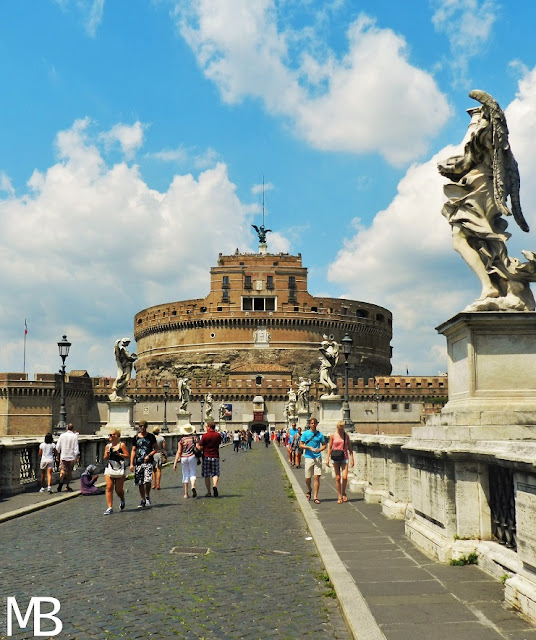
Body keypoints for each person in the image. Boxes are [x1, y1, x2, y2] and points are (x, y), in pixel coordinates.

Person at [438, 89, 536, 312]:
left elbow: (464, 160)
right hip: (479, 188)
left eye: (479, 114)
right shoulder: (493, 141)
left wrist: (447, 166)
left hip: (479, 188)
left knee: (463, 239)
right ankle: (506, 284)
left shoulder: (484, 133)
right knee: (481, 241)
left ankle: (490, 287)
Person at [130, 420, 158, 509]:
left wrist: (149, 455)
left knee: (147, 480)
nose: (142, 428)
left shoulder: (151, 436)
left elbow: (156, 448)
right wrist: (131, 463)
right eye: (141, 426)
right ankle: (142, 499)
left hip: (148, 461)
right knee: (140, 482)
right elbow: (133, 450)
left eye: (144, 426)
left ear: (146, 427)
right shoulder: (135, 438)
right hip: (138, 462)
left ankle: (147, 496)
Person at [326, 420, 354, 504]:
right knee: (338, 477)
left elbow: (350, 447)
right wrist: (327, 458)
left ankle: (343, 492)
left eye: (342, 427)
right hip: (335, 457)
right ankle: (339, 495)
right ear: (337, 427)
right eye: (340, 428)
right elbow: (330, 447)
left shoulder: (346, 436)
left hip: (344, 457)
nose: (341, 429)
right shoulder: (333, 436)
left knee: (345, 477)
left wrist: (352, 458)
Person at [300, 418, 326, 504]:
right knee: (307, 477)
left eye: (314, 423)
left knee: (317, 477)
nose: (313, 425)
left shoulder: (320, 435)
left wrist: (319, 450)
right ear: (309, 424)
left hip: (317, 457)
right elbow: (301, 445)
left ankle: (315, 497)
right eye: (312, 423)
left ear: (316, 424)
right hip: (308, 457)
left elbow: (324, 445)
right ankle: (309, 489)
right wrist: (309, 447)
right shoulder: (305, 434)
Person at [103, 429, 129, 514]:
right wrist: (107, 454)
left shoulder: (122, 445)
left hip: (119, 468)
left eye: (112, 435)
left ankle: (122, 499)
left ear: (117, 436)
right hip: (109, 467)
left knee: (118, 489)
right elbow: (105, 458)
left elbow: (127, 455)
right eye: (109, 435)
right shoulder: (108, 446)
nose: (110, 436)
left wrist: (119, 454)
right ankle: (109, 507)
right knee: (109, 487)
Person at [173, 424, 199, 498]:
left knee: (185, 474)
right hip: (192, 457)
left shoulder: (181, 440)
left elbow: (179, 451)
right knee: (193, 473)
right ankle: (193, 486)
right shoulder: (194, 438)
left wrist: (175, 463)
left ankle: (186, 493)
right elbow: (198, 448)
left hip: (183, 457)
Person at [199, 422, 222, 497]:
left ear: (209, 427)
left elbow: (201, 446)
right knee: (215, 473)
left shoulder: (205, 436)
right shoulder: (218, 435)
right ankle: (214, 485)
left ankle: (209, 492)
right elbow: (219, 443)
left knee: (207, 475)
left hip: (206, 456)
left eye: (206, 426)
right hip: (215, 456)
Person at [56, 423, 80, 492]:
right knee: (69, 472)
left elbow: (58, 447)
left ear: (66, 428)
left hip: (63, 456)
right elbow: (76, 449)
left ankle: (61, 481)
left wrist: (57, 455)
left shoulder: (62, 435)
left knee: (62, 470)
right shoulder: (74, 436)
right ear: (73, 429)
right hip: (71, 457)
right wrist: (77, 457)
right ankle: (67, 486)